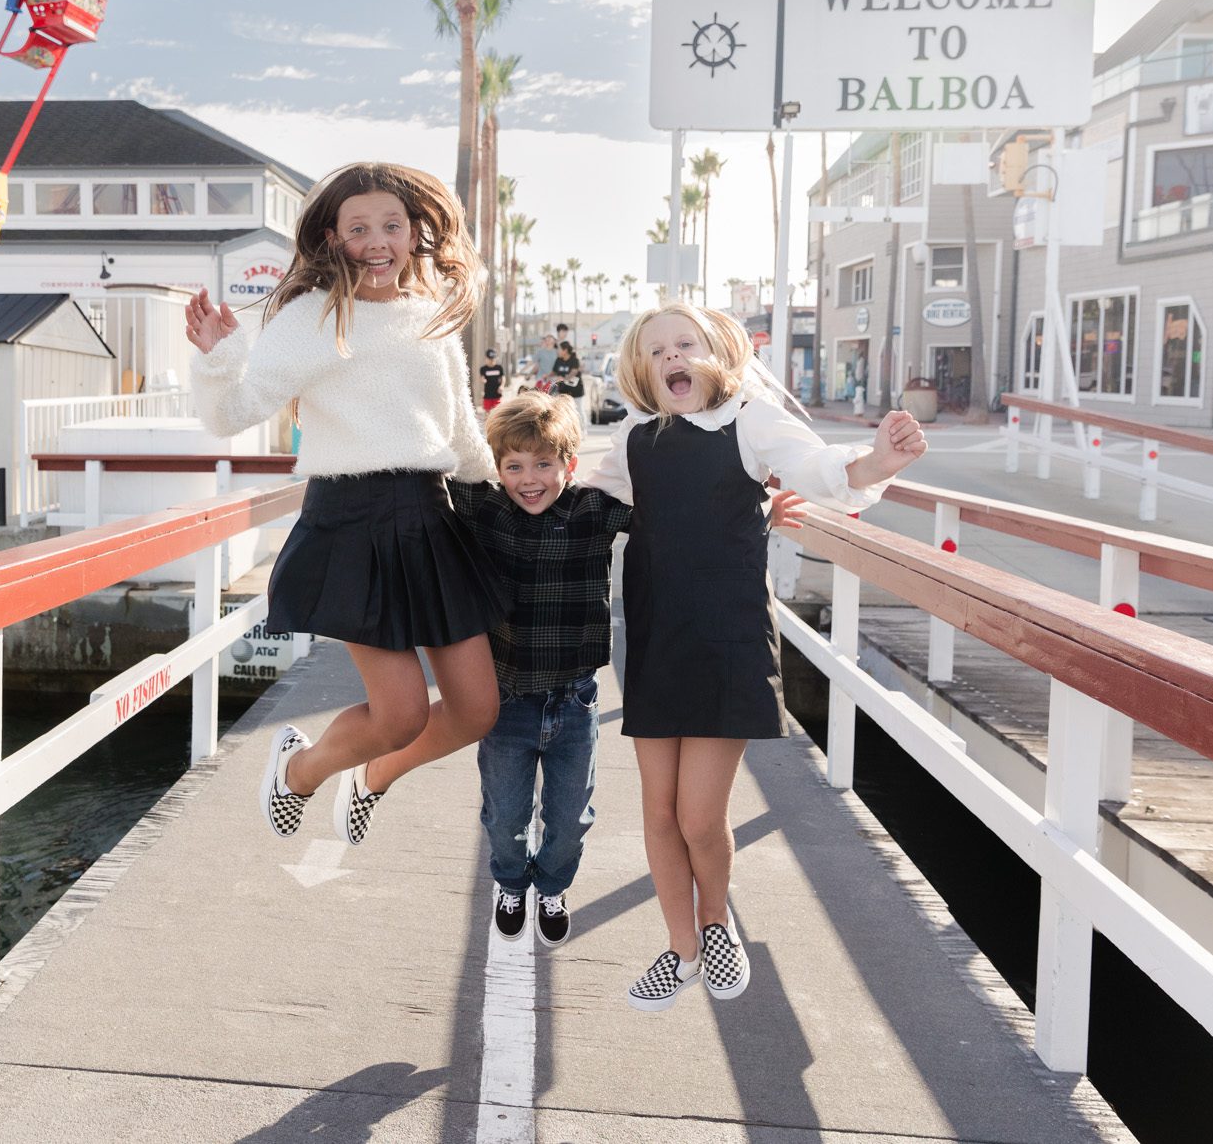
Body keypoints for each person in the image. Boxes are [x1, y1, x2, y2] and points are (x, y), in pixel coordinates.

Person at [582, 302, 926, 1011]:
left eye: (686, 342)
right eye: (657, 350)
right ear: (641, 368)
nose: (672, 355)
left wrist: (876, 461)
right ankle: (680, 948)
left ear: (718, 351)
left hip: (726, 637)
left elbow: (819, 466)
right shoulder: (637, 436)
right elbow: (587, 504)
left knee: (699, 816)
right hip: (651, 637)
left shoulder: (750, 418)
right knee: (657, 811)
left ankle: (715, 923)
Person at [186, 161, 508, 849]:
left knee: (477, 707)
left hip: (429, 514)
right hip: (351, 523)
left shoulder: (431, 318)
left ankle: (371, 778)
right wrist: (218, 356)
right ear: (334, 237)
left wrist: (512, 491)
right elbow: (233, 413)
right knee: (399, 714)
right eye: (360, 227)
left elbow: (459, 432)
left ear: (415, 231)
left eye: (392, 224)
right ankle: (299, 771)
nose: (379, 241)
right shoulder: (313, 315)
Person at [450, 392, 806, 950]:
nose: (530, 479)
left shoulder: (593, 509)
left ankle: (553, 886)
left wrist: (756, 508)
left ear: (569, 464)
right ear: (497, 470)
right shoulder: (484, 509)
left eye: (544, 464)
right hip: (506, 701)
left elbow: (681, 513)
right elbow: (430, 473)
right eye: (514, 466)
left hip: (573, 703)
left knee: (570, 819)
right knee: (505, 816)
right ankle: (511, 883)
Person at [479, 347, 506, 413]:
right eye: (489, 359)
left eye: (493, 359)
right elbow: (482, 378)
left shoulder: (499, 368)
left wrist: (502, 386)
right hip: (487, 394)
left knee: (497, 413)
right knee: (487, 413)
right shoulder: (483, 369)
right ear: (486, 358)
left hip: (497, 394)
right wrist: (483, 380)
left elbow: (503, 377)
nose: (491, 361)